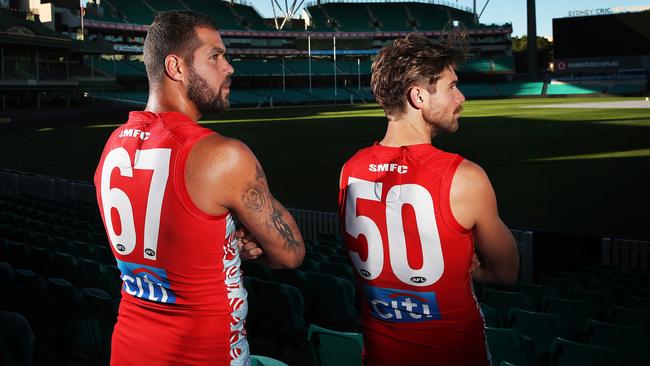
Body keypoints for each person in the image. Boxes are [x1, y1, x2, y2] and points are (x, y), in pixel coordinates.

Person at [94, 11, 304, 366]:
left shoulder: (113, 145)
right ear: (175, 67)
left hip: (129, 348)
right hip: (202, 354)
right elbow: (290, 253)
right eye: (215, 56)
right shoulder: (221, 155)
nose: (229, 68)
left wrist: (222, 242)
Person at [338, 34, 519, 366]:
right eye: (451, 87)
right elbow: (507, 271)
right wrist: (467, 267)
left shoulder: (350, 171)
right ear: (418, 96)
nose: (460, 97)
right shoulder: (465, 177)